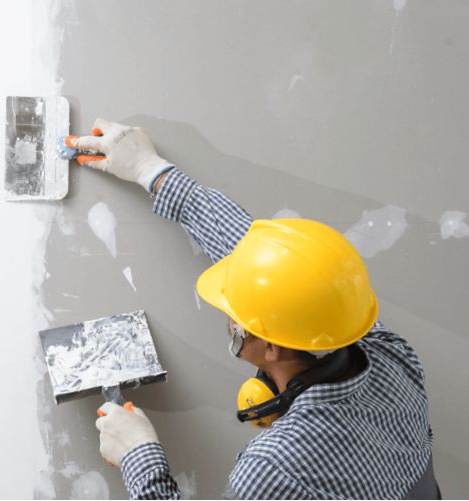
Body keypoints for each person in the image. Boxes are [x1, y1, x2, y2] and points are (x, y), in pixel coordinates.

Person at [69, 119, 438, 499]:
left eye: (236, 314)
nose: (229, 315)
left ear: (271, 348)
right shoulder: (391, 355)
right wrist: (151, 170)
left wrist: (139, 457)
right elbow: (271, 264)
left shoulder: (274, 469)